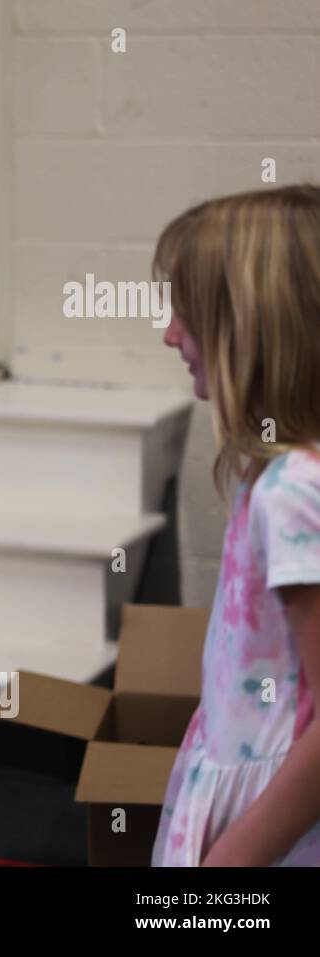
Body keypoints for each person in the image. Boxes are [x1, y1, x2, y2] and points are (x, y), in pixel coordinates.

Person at [151, 184, 320, 866]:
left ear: (251, 327)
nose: (169, 334)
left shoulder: (293, 490)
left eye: (186, 315)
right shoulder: (274, 476)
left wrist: (233, 860)